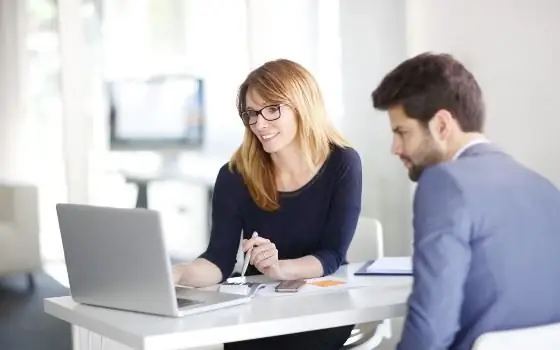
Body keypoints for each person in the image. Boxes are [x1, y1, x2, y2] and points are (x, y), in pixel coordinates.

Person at [371, 52, 560, 350]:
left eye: (401, 132)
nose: (395, 148)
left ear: (442, 125)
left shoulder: (445, 183)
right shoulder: (545, 188)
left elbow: (432, 328)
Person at [173, 58, 362, 350]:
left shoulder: (342, 163)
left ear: (302, 106)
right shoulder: (235, 175)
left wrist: (279, 268)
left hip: (322, 309)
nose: (259, 123)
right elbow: (218, 261)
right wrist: (177, 273)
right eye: (252, 113)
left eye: (272, 109)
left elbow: (332, 254)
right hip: (257, 313)